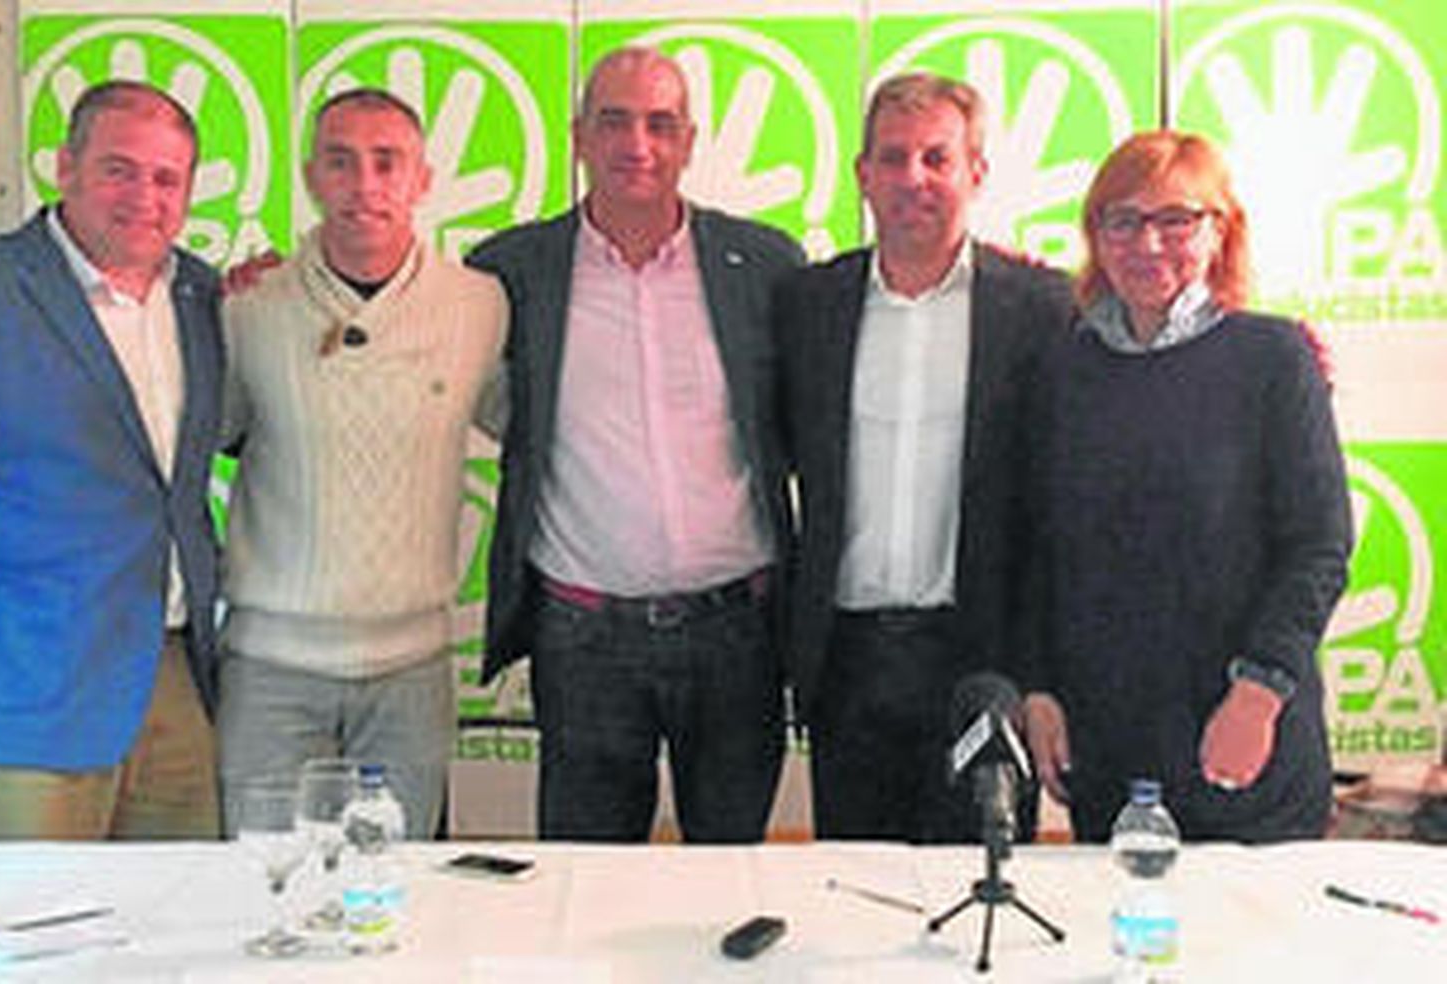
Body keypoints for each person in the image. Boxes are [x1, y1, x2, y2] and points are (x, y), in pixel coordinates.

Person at [0, 81, 224, 839]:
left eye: (166, 179)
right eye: (119, 168)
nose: (144, 196)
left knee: (174, 943)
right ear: (65, 166)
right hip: (22, 699)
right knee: (18, 946)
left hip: (173, 683)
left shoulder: (201, 295)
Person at [466, 46, 804, 843]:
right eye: (614, 122)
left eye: (660, 125)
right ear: (579, 136)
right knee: (584, 876)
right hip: (582, 638)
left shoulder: (764, 264)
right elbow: (406, 323)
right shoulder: (510, 269)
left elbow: (836, 371)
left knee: (732, 874)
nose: (637, 145)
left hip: (737, 634)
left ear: (689, 141)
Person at [1017, 130, 1352, 842]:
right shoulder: (1063, 372)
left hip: (1240, 737)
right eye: (1123, 219)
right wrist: (1039, 689)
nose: (1148, 243)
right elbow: (1036, 550)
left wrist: (1259, 695)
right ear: (1096, 235)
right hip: (1109, 745)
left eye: (1177, 219)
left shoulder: (1273, 358)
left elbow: (1318, 546)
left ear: (1220, 230)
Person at [775, 73, 1072, 843]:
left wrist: (1037, 671)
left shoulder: (1044, 309)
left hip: (981, 660)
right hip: (847, 661)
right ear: (862, 175)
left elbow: (1057, 511)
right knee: (855, 893)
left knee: (984, 884)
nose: (914, 179)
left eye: (937, 159)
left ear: (976, 172)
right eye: (894, 158)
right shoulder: (807, 304)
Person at [215, 88, 506, 836]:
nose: (365, 185)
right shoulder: (246, 307)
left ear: (423, 180)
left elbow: (535, 432)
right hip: (271, 667)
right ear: (312, 176)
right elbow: (192, 440)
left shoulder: (480, 305)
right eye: (341, 162)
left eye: (387, 163)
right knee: (266, 889)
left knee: (394, 902)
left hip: (412, 670)